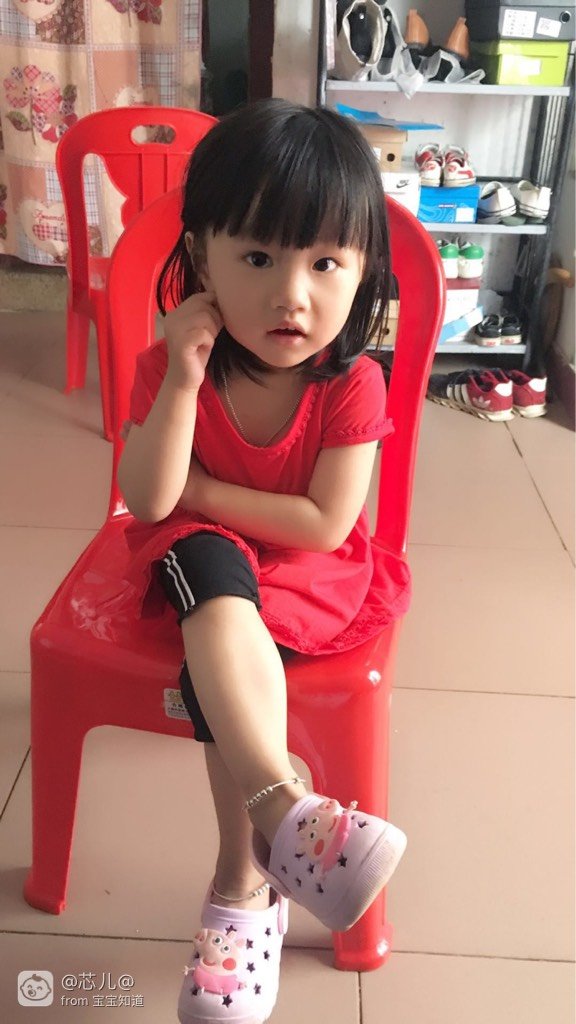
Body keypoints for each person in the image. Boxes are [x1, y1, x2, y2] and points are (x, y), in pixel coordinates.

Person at [118, 98, 410, 1024]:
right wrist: (182, 377)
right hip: (207, 563)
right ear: (201, 260)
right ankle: (285, 822)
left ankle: (243, 880)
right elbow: (149, 501)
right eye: (257, 259)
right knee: (209, 578)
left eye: (325, 263)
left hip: (307, 573)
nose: (292, 294)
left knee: (226, 651)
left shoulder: (353, 382)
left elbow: (323, 524)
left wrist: (202, 492)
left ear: (362, 272)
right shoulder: (174, 366)